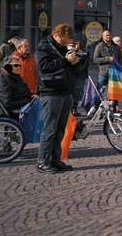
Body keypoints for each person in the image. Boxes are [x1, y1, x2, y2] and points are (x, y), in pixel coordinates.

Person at [35, 23, 80, 174]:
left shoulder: (63, 48)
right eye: (64, 40)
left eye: (68, 41)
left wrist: (75, 62)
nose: (66, 43)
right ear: (56, 35)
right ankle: (42, 161)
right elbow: (44, 66)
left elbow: (71, 68)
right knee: (50, 128)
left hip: (65, 91)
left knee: (60, 129)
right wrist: (65, 60)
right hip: (51, 91)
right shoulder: (44, 47)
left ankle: (55, 159)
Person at [93, 30, 122, 110]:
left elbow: (120, 58)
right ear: (103, 36)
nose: (108, 37)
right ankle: (96, 108)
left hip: (114, 73)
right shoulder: (99, 46)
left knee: (114, 91)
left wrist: (119, 66)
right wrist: (107, 59)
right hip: (104, 72)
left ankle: (114, 108)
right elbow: (95, 59)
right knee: (100, 91)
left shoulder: (115, 46)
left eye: (109, 35)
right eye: (106, 35)